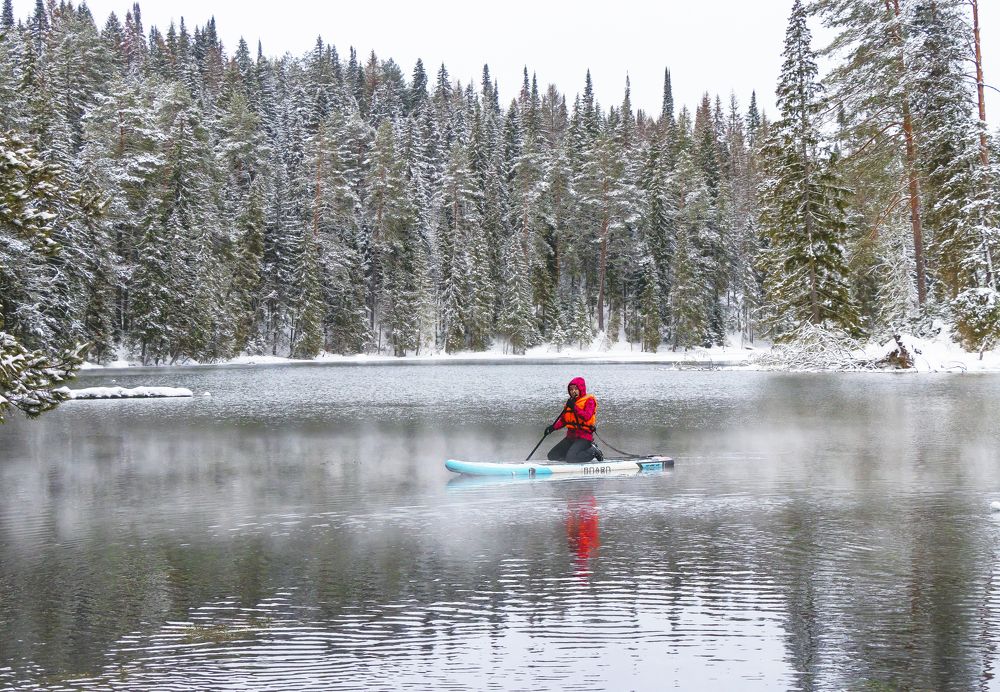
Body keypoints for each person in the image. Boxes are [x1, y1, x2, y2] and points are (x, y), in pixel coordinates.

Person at [546, 377, 604, 463]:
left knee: (571, 458)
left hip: (584, 437)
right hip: (571, 436)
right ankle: (572, 456)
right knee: (552, 456)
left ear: (581, 389)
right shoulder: (570, 402)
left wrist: (574, 407)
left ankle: (593, 451)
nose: (573, 391)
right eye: (571, 389)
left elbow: (586, 416)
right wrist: (552, 428)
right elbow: (564, 420)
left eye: (576, 389)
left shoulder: (589, 401)